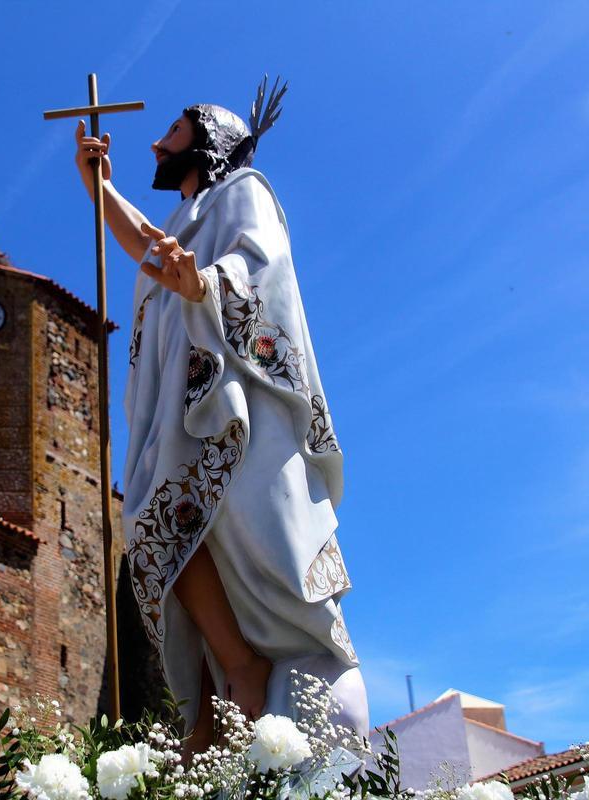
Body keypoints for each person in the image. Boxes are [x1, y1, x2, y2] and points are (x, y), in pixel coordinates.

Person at [72, 82, 368, 752]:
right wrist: (99, 188)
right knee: (154, 522)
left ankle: (251, 676)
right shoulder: (185, 218)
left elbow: (260, 260)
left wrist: (204, 282)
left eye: (173, 130)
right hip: (174, 402)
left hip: (232, 391)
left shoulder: (243, 190)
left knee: (243, 530)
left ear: (209, 140)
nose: (156, 142)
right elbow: (148, 244)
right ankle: (234, 662)